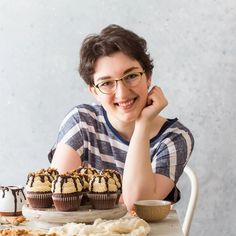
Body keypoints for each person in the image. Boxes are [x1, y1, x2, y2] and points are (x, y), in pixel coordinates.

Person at [48, 24, 194, 211]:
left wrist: (142, 126)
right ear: (94, 91)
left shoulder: (175, 137)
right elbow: (60, 199)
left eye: (131, 76)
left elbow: (138, 206)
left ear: (148, 77)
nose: (122, 93)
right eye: (107, 83)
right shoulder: (82, 122)